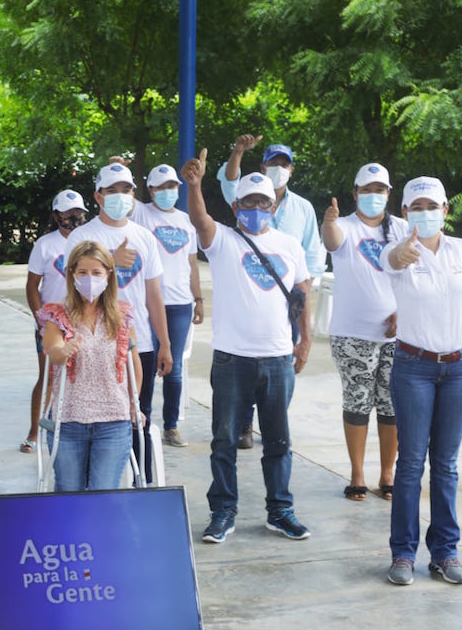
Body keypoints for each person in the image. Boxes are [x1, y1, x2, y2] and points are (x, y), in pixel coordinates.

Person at [181, 148, 313, 544]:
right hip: (232, 358)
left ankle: (280, 511)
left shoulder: (289, 245)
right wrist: (195, 185)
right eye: (249, 201)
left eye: (263, 201)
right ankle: (223, 511)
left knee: (278, 441)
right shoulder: (224, 239)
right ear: (236, 205)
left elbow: (301, 292)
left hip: (277, 359)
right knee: (224, 441)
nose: (256, 207)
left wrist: (304, 340)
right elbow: (200, 220)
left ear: (274, 205)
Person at [381, 176, 462, 586]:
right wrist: (401, 254)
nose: (426, 214)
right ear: (406, 213)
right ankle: (403, 554)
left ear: (446, 211)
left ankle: (445, 552)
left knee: (445, 466)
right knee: (410, 464)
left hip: (461, 368)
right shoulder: (398, 253)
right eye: (417, 207)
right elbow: (388, 262)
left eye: (433, 206)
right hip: (414, 368)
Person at [66, 162, 171, 484]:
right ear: (98, 196)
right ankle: (86, 484)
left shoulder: (144, 238)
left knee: (138, 413)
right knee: (88, 419)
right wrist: (111, 260)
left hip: (138, 345)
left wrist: (164, 342)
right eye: (113, 191)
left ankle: (143, 483)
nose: (120, 196)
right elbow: (73, 285)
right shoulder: (82, 236)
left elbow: (153, 294)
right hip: (92, 343)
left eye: (126, 190)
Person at [217, 135, 323, 447]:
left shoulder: (303, 208)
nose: (278, 168)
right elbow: (229, 182)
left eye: (284, 164)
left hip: (285, 300)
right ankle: (245, 423)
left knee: (277, 364)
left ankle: (273, 423)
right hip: (247, 292)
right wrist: (237, 151)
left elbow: (312, 252)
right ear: (263, 166)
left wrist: (303, 294)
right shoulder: (246, 195)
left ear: (291, 169)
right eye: (273, 163)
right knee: (247, 359)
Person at [321, 164, 407, 501]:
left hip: (398, 334)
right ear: (355, 193)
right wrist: (329, 221)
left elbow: (418, 273)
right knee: (357, 402)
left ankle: (387, 473)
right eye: (367, 190)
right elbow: (333, 241)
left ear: (389, 193)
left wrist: (406, 311)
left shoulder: (401, 228)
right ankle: (357, 474)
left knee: (391, 404)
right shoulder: (344, 226)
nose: (374, 196)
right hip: (352, 334)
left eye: (380, 190)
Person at [38, 240, 143, 491]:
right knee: (69, 493)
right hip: (69, 420)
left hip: (113, 420)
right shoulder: (57, 314)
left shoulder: (121, 315)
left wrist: (133, 403)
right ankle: (69, 533)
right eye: (83, 272)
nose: (90, 278)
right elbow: (52, 351)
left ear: (108, 274)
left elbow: (133, 362)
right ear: (72, 273)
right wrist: (64, 351)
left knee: (103, 494)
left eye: (96, 272)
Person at [130, 164, 204, 448]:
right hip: (147, 302)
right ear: (150, 191)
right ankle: (140, 419)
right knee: (145, 365)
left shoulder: (186, 221)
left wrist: (198, 299)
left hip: (180, 303)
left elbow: (191, 263)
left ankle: (171, 426)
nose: (166, 192)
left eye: (171, 186)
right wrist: (117, 166)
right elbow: (119, 193)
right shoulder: (142, 213)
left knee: (173, 369)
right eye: (160, 187)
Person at [22, 189, 88, 452]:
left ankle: (74, 429)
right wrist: (41, 321)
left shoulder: (89, 241)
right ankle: (34, 432)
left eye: (78, 214)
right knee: (48, 378)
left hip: (83, 322)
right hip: (51, 324)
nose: (73, 219)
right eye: (68, 214)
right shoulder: (45, 244)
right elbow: (31, 286)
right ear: (56, 216)